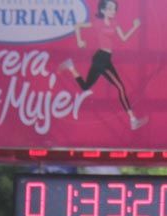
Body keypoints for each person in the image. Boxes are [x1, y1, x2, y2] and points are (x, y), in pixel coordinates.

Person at [60, 0, 147, 130]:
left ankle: (71, 66)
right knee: (121, 88)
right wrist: (80, 41)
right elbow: (78, 26)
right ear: (102, 10)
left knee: (85, 86)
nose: (113, 11)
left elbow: (123, 38)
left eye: (114, 9)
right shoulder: (98, 23)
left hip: (105, 59)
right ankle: (133, 119)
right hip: (101, 59)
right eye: (110, 9)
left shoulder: (114, 23)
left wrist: (135, 27)